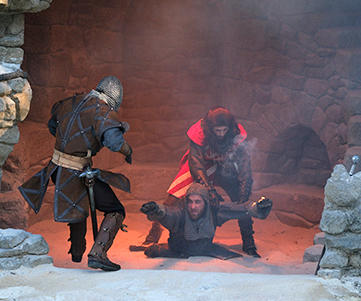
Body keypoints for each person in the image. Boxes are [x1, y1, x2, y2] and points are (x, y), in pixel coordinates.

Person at [19, 75, 132, 271]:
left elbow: (53, 126)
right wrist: (128, 150)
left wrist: (71, 145)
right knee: (115, 208)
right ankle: (98, 254)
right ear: (115, 99)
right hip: (77, 171)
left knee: (77, 201)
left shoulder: (70, 102)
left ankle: (77, 252)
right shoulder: (103, 111)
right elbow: (114, 142)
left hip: (56, 168)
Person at [163, 107, 260, 256]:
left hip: (224, 167)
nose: (221, 134)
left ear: (229, 127)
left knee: (241, 201)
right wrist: (209, 189)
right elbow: (196, 164)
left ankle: (249, 242)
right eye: (217, 130)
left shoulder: (238, 134)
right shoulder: (199, 132)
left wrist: (245, 187)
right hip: (202, 166)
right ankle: (152, 236)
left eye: (224, 130)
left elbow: (245, 164)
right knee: (172, 198)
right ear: (210, 127)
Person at [140, 183, 272, 260]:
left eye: (198, 202)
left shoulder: (213, 211)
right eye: (190, 202)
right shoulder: (180, 211)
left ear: (205, 203)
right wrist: (157, 210)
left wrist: (257, 208)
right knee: (153, 251)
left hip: (206, 250)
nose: (193, 206)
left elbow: (237, 209)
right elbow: (169, 215)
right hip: (178, 250)